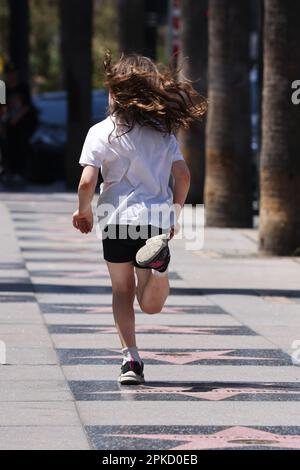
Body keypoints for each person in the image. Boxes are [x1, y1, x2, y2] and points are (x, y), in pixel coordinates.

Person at [72, 50, 207, 385]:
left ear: (115, 93)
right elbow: (184, 176)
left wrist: (83, 210)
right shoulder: (162, 133)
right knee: (151, 303)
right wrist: (174, 214)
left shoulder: (100, 131)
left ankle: (130, 360)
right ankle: (158, 270)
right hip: (155, 221)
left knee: (122, 290)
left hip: (116, 219)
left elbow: (88, 181)